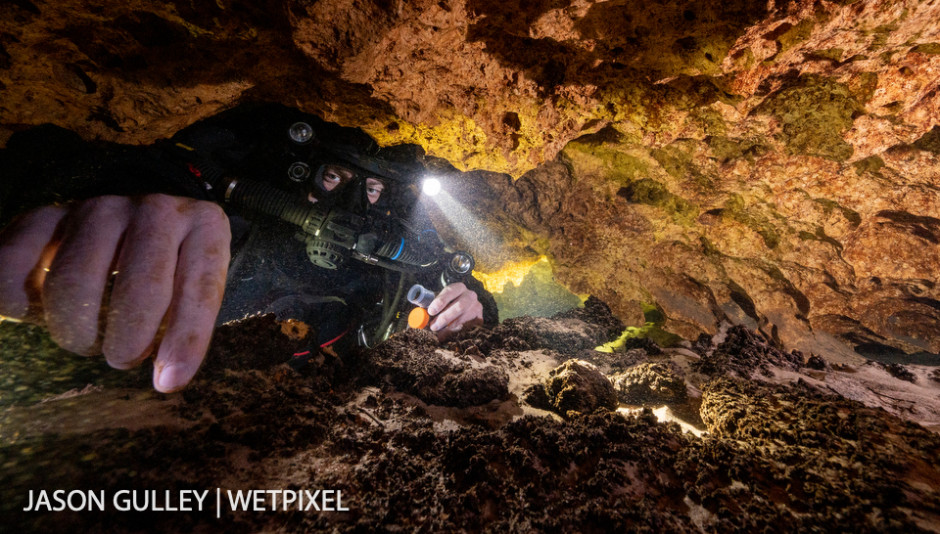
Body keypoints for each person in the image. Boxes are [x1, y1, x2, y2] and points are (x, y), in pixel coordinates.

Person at [0, 103, 498, 393]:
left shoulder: (394, 264)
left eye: (370, 189)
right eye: (333, 177)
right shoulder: (230, 222)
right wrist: (110, 204)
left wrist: (474, 312)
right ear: (302, 174)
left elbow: (468, 289)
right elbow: (144, 173)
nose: (351, 200)